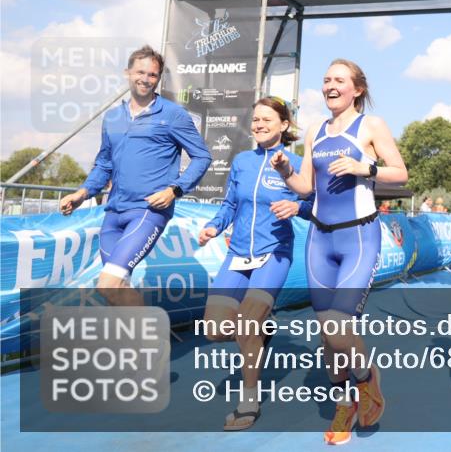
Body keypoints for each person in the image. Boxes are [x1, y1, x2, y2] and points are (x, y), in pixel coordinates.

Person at [272, 59, 408, 446]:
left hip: (358, 237)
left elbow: (400, 172)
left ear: (357, 89)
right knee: (326, 333)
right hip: (319, 239)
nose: (330, 85)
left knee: (337, 324)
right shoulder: (315, 129)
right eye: (327, 79)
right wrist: (285, 170)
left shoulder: (371, 126)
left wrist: (366, 168)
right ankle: (343, 403)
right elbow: (304, 187)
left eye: (339, 80)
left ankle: (365, 380)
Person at [59, 45, 210, 306]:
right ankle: (149, 343)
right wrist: (82, 193)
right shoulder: (113, 117)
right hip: (114, 212)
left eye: (153, 75)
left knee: (108, 282)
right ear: (127, 73)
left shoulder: (173, 114)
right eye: (141, 72)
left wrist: (175, 190)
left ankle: (149, 342)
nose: (146, 79)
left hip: (148, 210)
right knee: (116, 290)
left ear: (158, 78)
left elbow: (203, 156)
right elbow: (104, 163)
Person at [197, 96, 311, 430]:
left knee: (246, 326)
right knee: (215, 330)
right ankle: (266, 325)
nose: (259, 125)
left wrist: (297, 208)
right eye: (256, 119)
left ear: (284, 125)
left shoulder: (297, 163)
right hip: (237, 255)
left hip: (274, 253)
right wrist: (214, 227)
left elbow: (314, 203)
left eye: (267, 119)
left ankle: (249, 402)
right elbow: (230, 204)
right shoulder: (243, 161)